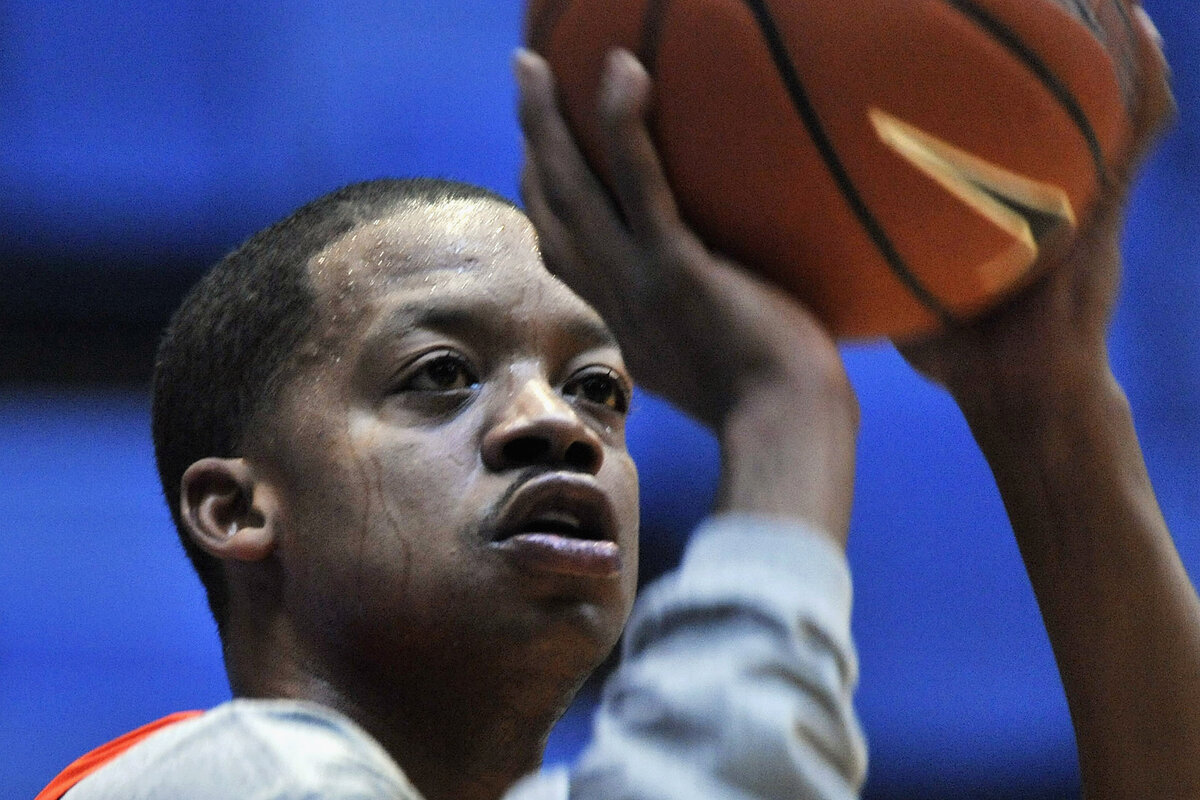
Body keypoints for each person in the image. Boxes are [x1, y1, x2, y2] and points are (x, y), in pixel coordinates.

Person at [40, 4, 1199, 799]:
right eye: (438, 375)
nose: (557, 425)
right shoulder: (225, 773)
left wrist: (1051, 423)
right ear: (239, 509)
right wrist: (786, 408)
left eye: (601, 389)